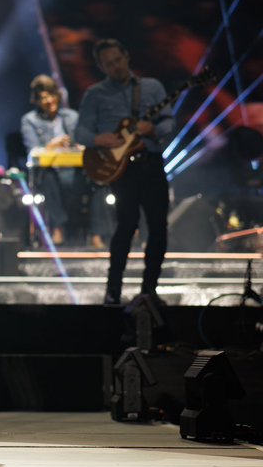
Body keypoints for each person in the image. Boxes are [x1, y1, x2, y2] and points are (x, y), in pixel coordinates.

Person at [75, 39, 175, 306]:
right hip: (121, 169)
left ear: (126, 57)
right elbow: (80, 132)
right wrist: (100, 140)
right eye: (108, 64)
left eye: (118, 60)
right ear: (101, 67)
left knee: (158, 226)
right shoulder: (95, 94)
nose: (115, 67)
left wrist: (152, 130)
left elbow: (168, 121)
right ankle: (113, 290)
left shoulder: (152, 87)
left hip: (150, 162)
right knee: (126, 224)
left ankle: (149, 290)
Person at [20, 74, 79, 245]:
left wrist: (78, 147)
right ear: (37, 100)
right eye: (44, 98)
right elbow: (32, 152)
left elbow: (83, 143)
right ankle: (58, 228)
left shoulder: (72, 117)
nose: (50, 101)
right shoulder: (30, 120)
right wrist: (51, 145)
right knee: (48, 176)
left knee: (98, 179)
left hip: (73, 170)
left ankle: (98, 234)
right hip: (47, 172)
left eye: (52, 96)